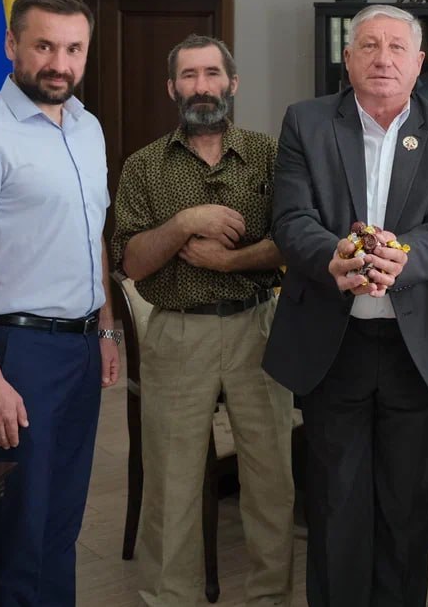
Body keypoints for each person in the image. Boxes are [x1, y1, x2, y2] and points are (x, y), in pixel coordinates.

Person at [262, 3, 428, 606]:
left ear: (419, 62)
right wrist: (333, 256)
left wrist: (402, 258)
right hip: (334, 344)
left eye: (397, 47)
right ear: (348, 57)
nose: (384, 59)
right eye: (370, 46)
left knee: (406, 505)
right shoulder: (306, 121)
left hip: (415, 346)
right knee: (335, 500)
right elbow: (291, 217)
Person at [0, 0, 119, 606]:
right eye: (44, 46)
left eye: (74, 49)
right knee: (20, 530)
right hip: (17, 353)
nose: (59, 64)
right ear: (12, 45)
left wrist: (106, 329)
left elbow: (92, 236)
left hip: (80, 348)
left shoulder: (87, 128)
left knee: (61, 525)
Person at [112, 35, 295, 606]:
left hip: (258, 326)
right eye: (188, 76)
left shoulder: (268, 154)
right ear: (172, 87)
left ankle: (270, 599)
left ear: (232, 83)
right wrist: (186, 221)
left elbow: (292, 241)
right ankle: (171, 598)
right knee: (171, 485)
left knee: (270, 480)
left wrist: (230, 260)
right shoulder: (143, 166)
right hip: (177, 332)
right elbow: (131, 262)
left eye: (212, 74)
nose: (201, 87)